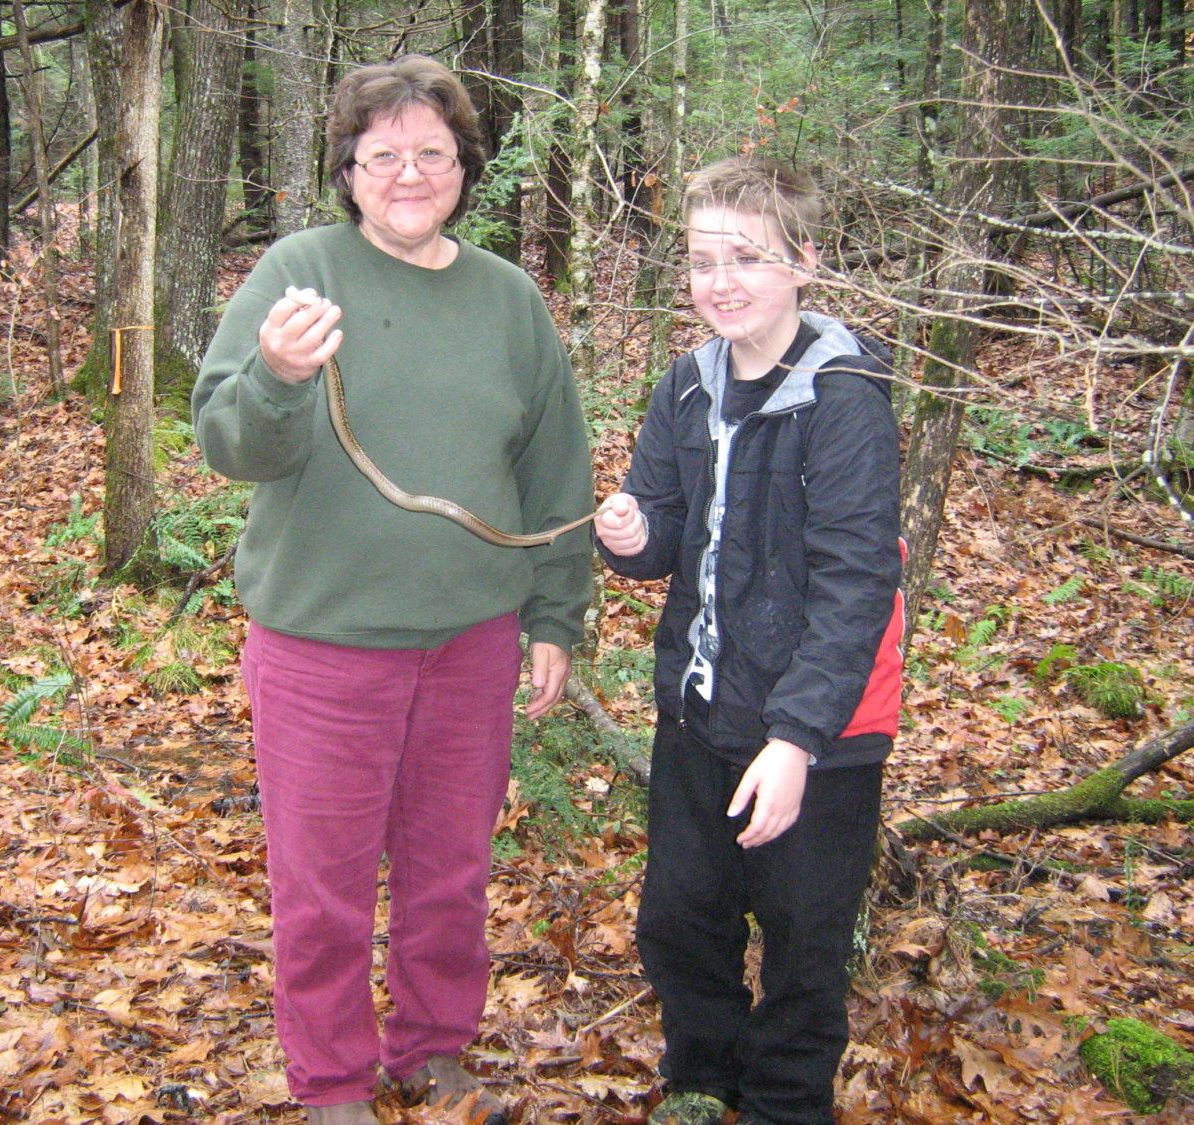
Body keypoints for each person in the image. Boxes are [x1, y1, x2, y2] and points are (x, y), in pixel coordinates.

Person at [192, 55, 593, 1125]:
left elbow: (556, 470)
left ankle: (433, 1050)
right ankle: (331, 1083)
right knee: (321, 886)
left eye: (431, 153)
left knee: (449, 873)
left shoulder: (507, 299)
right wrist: (277, 375)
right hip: (323, 645)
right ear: (348, 171)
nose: (409, 174)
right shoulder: (299, 272)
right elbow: (226, 442)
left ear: (463, 167)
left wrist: (555, 615)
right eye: (382, 156)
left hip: (472, 641)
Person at [593, 155, 904, 1125]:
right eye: (702, 261)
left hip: (822, 734)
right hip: (701, 713)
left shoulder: (843, 399)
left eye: (748, 258)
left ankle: (783, 1104)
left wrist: (796, 740)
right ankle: (701, 1083)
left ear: (803, 262)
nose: (721, 282)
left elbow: (856, 584)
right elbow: (663, 528)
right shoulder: (688, 385)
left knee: (805, 940)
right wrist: (634, 536)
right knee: (681, 916)